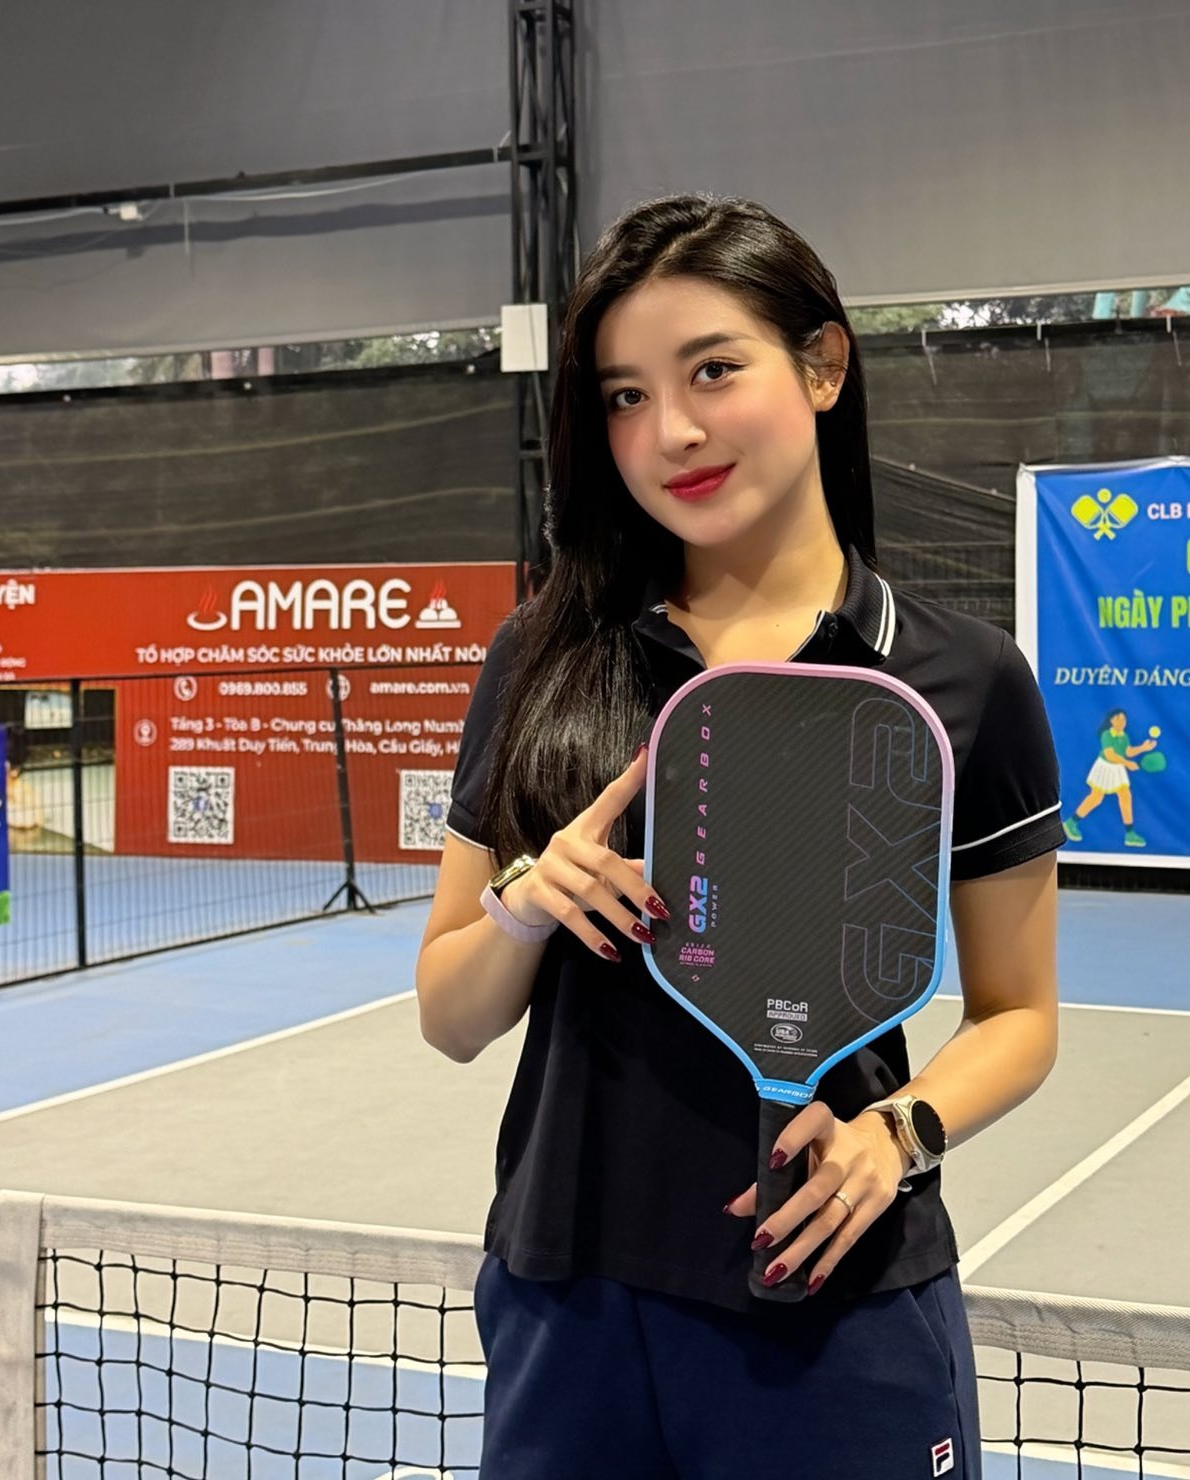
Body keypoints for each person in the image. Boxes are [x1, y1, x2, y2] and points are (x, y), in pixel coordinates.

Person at [415, 194, 1063, 1480]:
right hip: (564, 1302)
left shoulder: (961, 678)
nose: (670, 431)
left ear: (822, 365)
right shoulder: (541, 656)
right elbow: (449, 1014)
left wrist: (898, 1133)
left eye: (712, 369)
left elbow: (1018, 1014)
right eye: (624, 396)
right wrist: (526, 903)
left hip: (832, 1308)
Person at [1061, 708, 1156, 849]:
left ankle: (1130, 834)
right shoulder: (1106, 735)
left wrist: (1143, 748)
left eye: (1124, 719)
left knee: (1125, 796)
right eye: (1118, 719)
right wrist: (1127, 764)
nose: (1122, 722)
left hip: (1117, 769)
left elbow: (1128, 751)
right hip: (1104, 768)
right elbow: (1110, 755)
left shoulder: (1124, 736)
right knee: (1096, 798)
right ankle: (1071, 823)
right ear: (1111, 720)